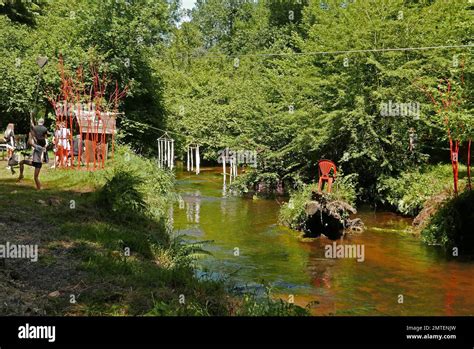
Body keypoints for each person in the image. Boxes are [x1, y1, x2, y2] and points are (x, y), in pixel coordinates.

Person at [18, 119, 49, 190]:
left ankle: (39, 188)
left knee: (35, 177)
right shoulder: (40, 146)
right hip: (34, 162)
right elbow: (35, 141)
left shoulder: (39, 147)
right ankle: (21, 175)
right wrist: (33, 134)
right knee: (21, 162)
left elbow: (30, 142)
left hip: (37, 163)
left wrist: (30, 136)